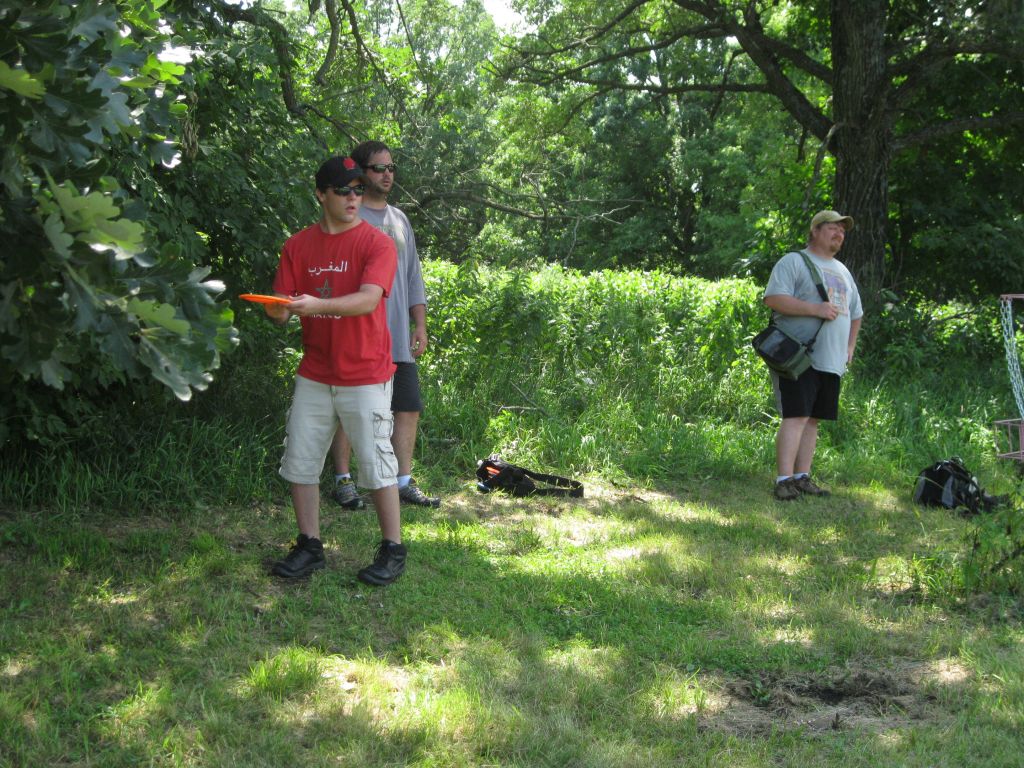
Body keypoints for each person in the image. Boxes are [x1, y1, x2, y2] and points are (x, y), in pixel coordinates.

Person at [263, 155, 407, 585]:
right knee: (300, 460)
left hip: (365, 372)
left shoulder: (377, 243)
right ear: (321, 194)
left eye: (358, 189)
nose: (353, 197)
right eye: (343, 190)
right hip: (315, 371)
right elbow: (282, 305)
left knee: (377, 462)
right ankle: (309, 546)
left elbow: (368, 299)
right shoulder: (297, 246)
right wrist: (277, 311)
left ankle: (393, 550)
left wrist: (316, 305)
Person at [328, 141, 440, 510]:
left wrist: (419, 325)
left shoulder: (400, 219)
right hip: (358, 336)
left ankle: (402, 481)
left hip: (397, 338)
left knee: (407, 407)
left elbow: (413, 277)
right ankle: (343, 480)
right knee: (351, 410)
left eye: (391, 167)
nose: (387, 174)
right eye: (378, 168)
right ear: (361, 173)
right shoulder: (350, 217)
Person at [763, 210, 864, 501]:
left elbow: (856, 313)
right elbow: (773, 299)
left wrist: (850, 347)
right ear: (815, 231)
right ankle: (784, 480)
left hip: (832, 360)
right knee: (796, 415)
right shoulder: (794, 261)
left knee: (813, 419)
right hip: (799, 355)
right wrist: (815, 309)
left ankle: (802, 476)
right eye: (833, 228)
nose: (839, 234)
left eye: (842, 231)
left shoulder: (843, 271)